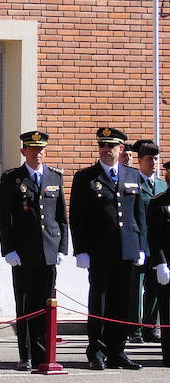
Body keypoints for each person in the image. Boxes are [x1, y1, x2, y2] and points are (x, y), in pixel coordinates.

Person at [70, 127, 146, 370]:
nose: (105, 150)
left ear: (120, 149)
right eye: (102, 146)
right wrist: (80, 249)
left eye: (111, 146)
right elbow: (77, 218)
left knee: (122, 301)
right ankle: (97, 351)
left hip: (127, 249)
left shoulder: (132, 175)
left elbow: (139, 215)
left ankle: (118, 350)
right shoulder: (85, 178)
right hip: (99, 251)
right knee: (99, 300)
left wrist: (141, 247)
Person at [0, 131, 68, 371]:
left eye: (40, 149)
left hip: (49, 251)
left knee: (46, 304)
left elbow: (61, 217)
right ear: (23, 151)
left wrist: (62, 247)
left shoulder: (54, 177)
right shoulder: (12, 178)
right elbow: (5, 218)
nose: (37, 153)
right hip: (23, 254)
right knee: (25, 305)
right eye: (32, 149)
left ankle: (43, 354)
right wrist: (8, 249)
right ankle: (25, 354)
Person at [128, 140, 165, 343]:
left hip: (157, 245)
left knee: (154, 288)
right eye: (149, 159)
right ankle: (135, 328)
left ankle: (151, 327)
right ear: (140, 161)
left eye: (156, 159)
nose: (153, 163)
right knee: (136, 287)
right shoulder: (133, 182)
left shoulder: (161, 185)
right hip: (138, 243)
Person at [147, 158, 170, 366]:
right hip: (167, 266)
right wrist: (160, 263)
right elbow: (154, 237)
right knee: (168, 311)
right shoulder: (158, 202)